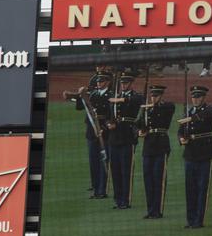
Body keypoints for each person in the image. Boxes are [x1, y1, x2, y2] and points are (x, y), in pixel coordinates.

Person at [64, 72, 112, 199]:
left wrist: (104, 127)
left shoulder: (111, 95)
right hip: (91, 131)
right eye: (98, 81)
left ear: (107, 82)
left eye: (101, 81)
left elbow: (111, 114)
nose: (99, 83)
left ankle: (102, 190)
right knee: (93, 161)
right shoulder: (93, 94)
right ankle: (96, 189)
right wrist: (78, 95)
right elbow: (80, 106)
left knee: (103, 160)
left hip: (104, 131)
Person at [178, 85, 212, 228]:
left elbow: (210, 114)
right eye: (194, 97)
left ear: (203, 97)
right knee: (190, 188)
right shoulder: (188, 112)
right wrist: (181, 138)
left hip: (204, 152)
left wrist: (190, 118)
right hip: (190, 153)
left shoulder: (208, 110)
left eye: (198, 97)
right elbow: (181, 130)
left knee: (202, 188)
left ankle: (198, 219)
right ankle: (190, 219)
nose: (195, 99)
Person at [136, 84, 175, 219]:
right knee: (148, 179)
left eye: (156, 96)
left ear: (161, 96)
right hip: (148, 146)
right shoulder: (146, 110)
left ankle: (157, 210)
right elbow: (137, 124)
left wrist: (152, 106)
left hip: (161, 145)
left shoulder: (165, 107)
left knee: (159, 178)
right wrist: (139, 130)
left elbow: (168, 108)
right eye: (152, 96)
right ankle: (150, 209)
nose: (153, 98)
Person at [106, 73, 143, 210]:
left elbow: (137, 101)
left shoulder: (134, 97)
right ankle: (118, 198)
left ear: (131, 83)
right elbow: (108, 115)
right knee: (115, 170)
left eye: (126, 83)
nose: (124, 85)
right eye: (122, 83)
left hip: (127, 137)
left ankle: (125, 200)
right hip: (114, 138)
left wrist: (120, 99)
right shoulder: (115, 97)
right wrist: (109, 124)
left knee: (125, 171)